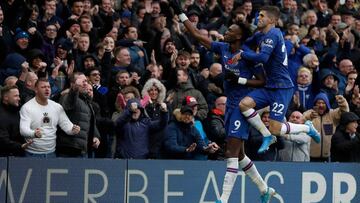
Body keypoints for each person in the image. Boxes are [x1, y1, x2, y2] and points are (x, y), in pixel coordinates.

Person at [170, 1, 276, 202]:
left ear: (238, 36)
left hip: (242, 106)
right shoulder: (224, 47)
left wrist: (240, 80)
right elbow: (197, 35)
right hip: (229, 105)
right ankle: (264, 190)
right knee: (241, 155)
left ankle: (223, 199)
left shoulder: (247, 55)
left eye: (230, 30)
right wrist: (180, 13)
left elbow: (263, 80)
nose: (225, 32)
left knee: (230, 152)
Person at [231, 6, 320, 154]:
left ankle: (307, 128)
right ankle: (267, 136)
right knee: (244, 105)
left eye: (262, 16)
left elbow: (263, 57)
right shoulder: (260, 35)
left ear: (272, 20)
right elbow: (245, 44)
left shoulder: (273, 34)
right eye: (258, 15)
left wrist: (243, 55)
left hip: (282, 87)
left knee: (276, 129)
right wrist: (241, 49)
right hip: (270, 86)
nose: (258, 18)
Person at [20, 78, 80, 158]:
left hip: (51, 153)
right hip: (32, 154)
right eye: (43, 87)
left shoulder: (57, 107)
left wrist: (74, 130)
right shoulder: (27, 107)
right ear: (36, 90)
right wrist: (34, 133)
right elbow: (23, 130)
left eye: (48, 87)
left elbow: (68, 127)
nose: (47, 89)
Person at [57, 72, 101, 158]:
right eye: (82, 81)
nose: (85, 84)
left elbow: (90, 122)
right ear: (73, 84)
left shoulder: (86, 102)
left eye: (86, 81)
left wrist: (96, 136)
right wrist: (74, 89)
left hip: (82, 149)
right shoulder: (67, 96)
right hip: (69, 149)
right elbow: (69, 102)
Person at [0, 86, 30, 156]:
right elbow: (2, 140)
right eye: (15, 96)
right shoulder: (1, 115)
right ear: (6, 97)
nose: (19, 98)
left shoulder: (19, 110)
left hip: (19, 153)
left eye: (18, 96)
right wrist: (20, 146)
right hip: (5, 158)